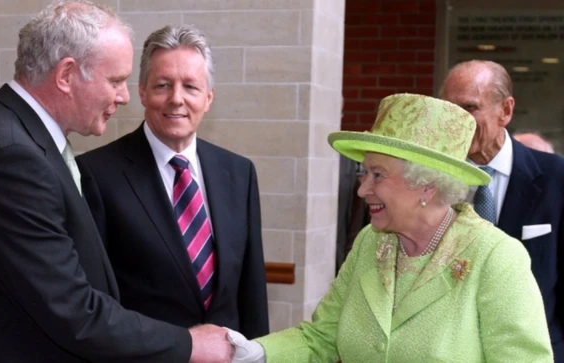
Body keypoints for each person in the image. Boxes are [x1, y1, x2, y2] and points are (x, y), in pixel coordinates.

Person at [0, 2, 233, 362]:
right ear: (67, 75)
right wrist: (191, 345)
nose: (123, 96)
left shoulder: (17, 136)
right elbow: (74, 312)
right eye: (116, 81)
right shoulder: (12, 156)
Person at [225, 93, 553, 362]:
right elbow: (323, 337)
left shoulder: (495, 256)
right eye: (364, 172)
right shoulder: (371, 242)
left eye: (377, 175)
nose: (362, 189)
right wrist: (255, 353)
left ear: (426, 185)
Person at [76, 24, 269, 339]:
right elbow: (96, 299)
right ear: (142, 92)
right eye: (163, 85)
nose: (176, 99)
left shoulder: (239, 173)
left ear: (208, 98)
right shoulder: (96, 175)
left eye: (191, 87)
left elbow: (252, 293)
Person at [441, 59, 564, 361]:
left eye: (469, 108)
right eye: (449, 108)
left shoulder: (556, 178)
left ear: (505, 111)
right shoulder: (431, 181)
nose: (456, 120)